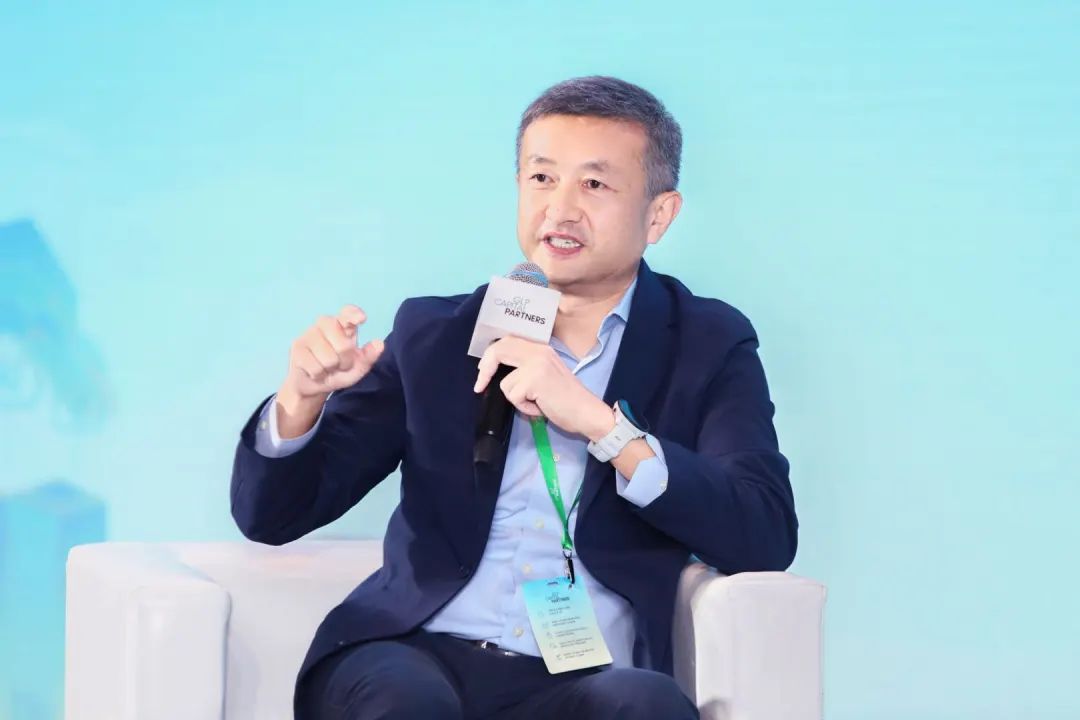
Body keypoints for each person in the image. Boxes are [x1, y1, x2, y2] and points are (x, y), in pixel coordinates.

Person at [230, 75, 798, 720]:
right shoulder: (437, 335)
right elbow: (271, 517)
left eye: (594, 184)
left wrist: (602, 426)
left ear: (658, 214)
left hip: (582, 679)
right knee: (405, 704)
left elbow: (763, 534)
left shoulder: (707, 342)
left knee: (646, 705)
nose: (561, 210)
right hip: (414, 652)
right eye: (542, 178)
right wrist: (300, 399)